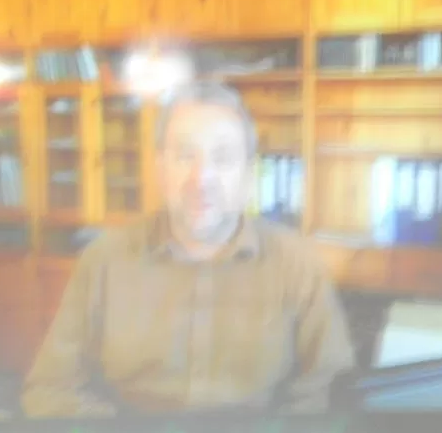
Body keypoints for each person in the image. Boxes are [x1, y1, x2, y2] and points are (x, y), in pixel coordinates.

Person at [21, 80, 356, 415]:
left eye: (222, 158)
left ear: (248, 174)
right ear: (160, 169)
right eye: (184, 156)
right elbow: (49, 389)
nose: (201, 178)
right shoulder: (103, 261)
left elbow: (331, 396)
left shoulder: (298, 264)